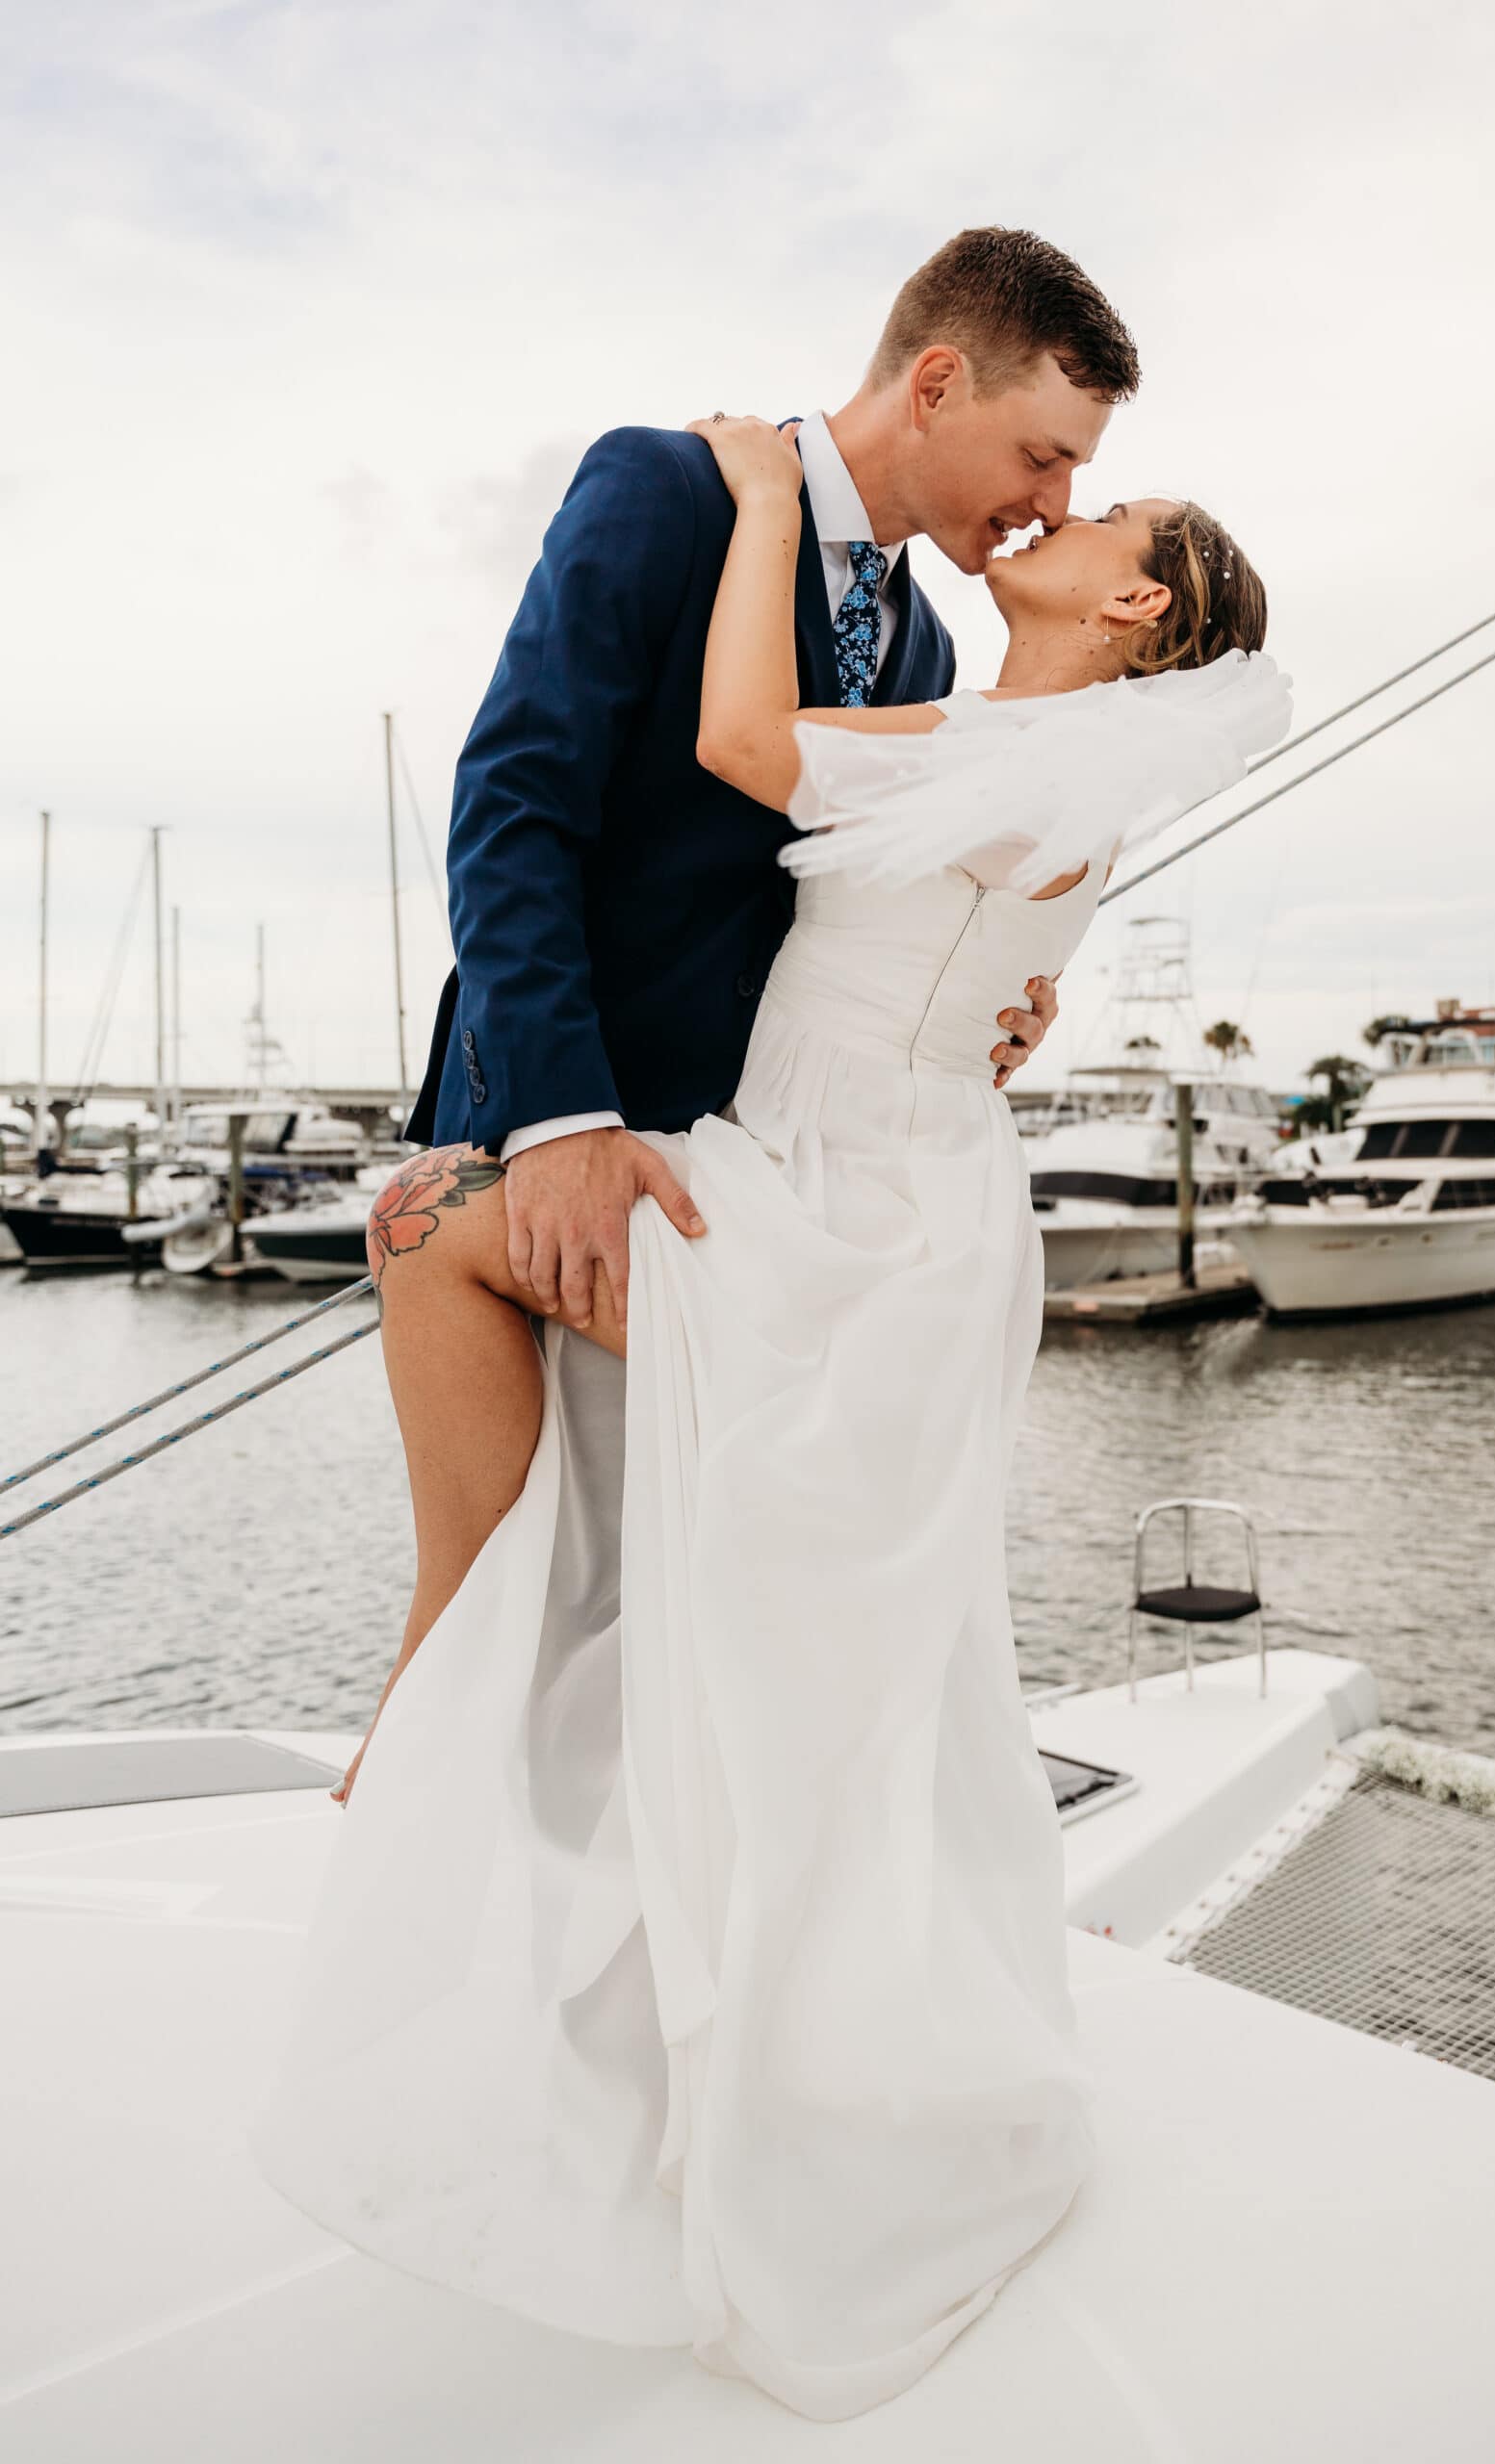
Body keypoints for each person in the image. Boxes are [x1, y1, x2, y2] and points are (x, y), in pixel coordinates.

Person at [247, 252, 1288, 2421]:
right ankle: (489, 1847)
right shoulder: (654, 489)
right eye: (1041, 452)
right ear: (937, 372)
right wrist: (549, 1113)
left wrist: (999, 990)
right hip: (602, 1129)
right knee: (586, 1564)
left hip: (797, 1180)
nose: (1042, 500)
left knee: (691, 1621)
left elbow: (849, 830)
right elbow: (519, 795)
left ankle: (651, 2053)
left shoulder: (920, 641)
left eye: (1078, 489)